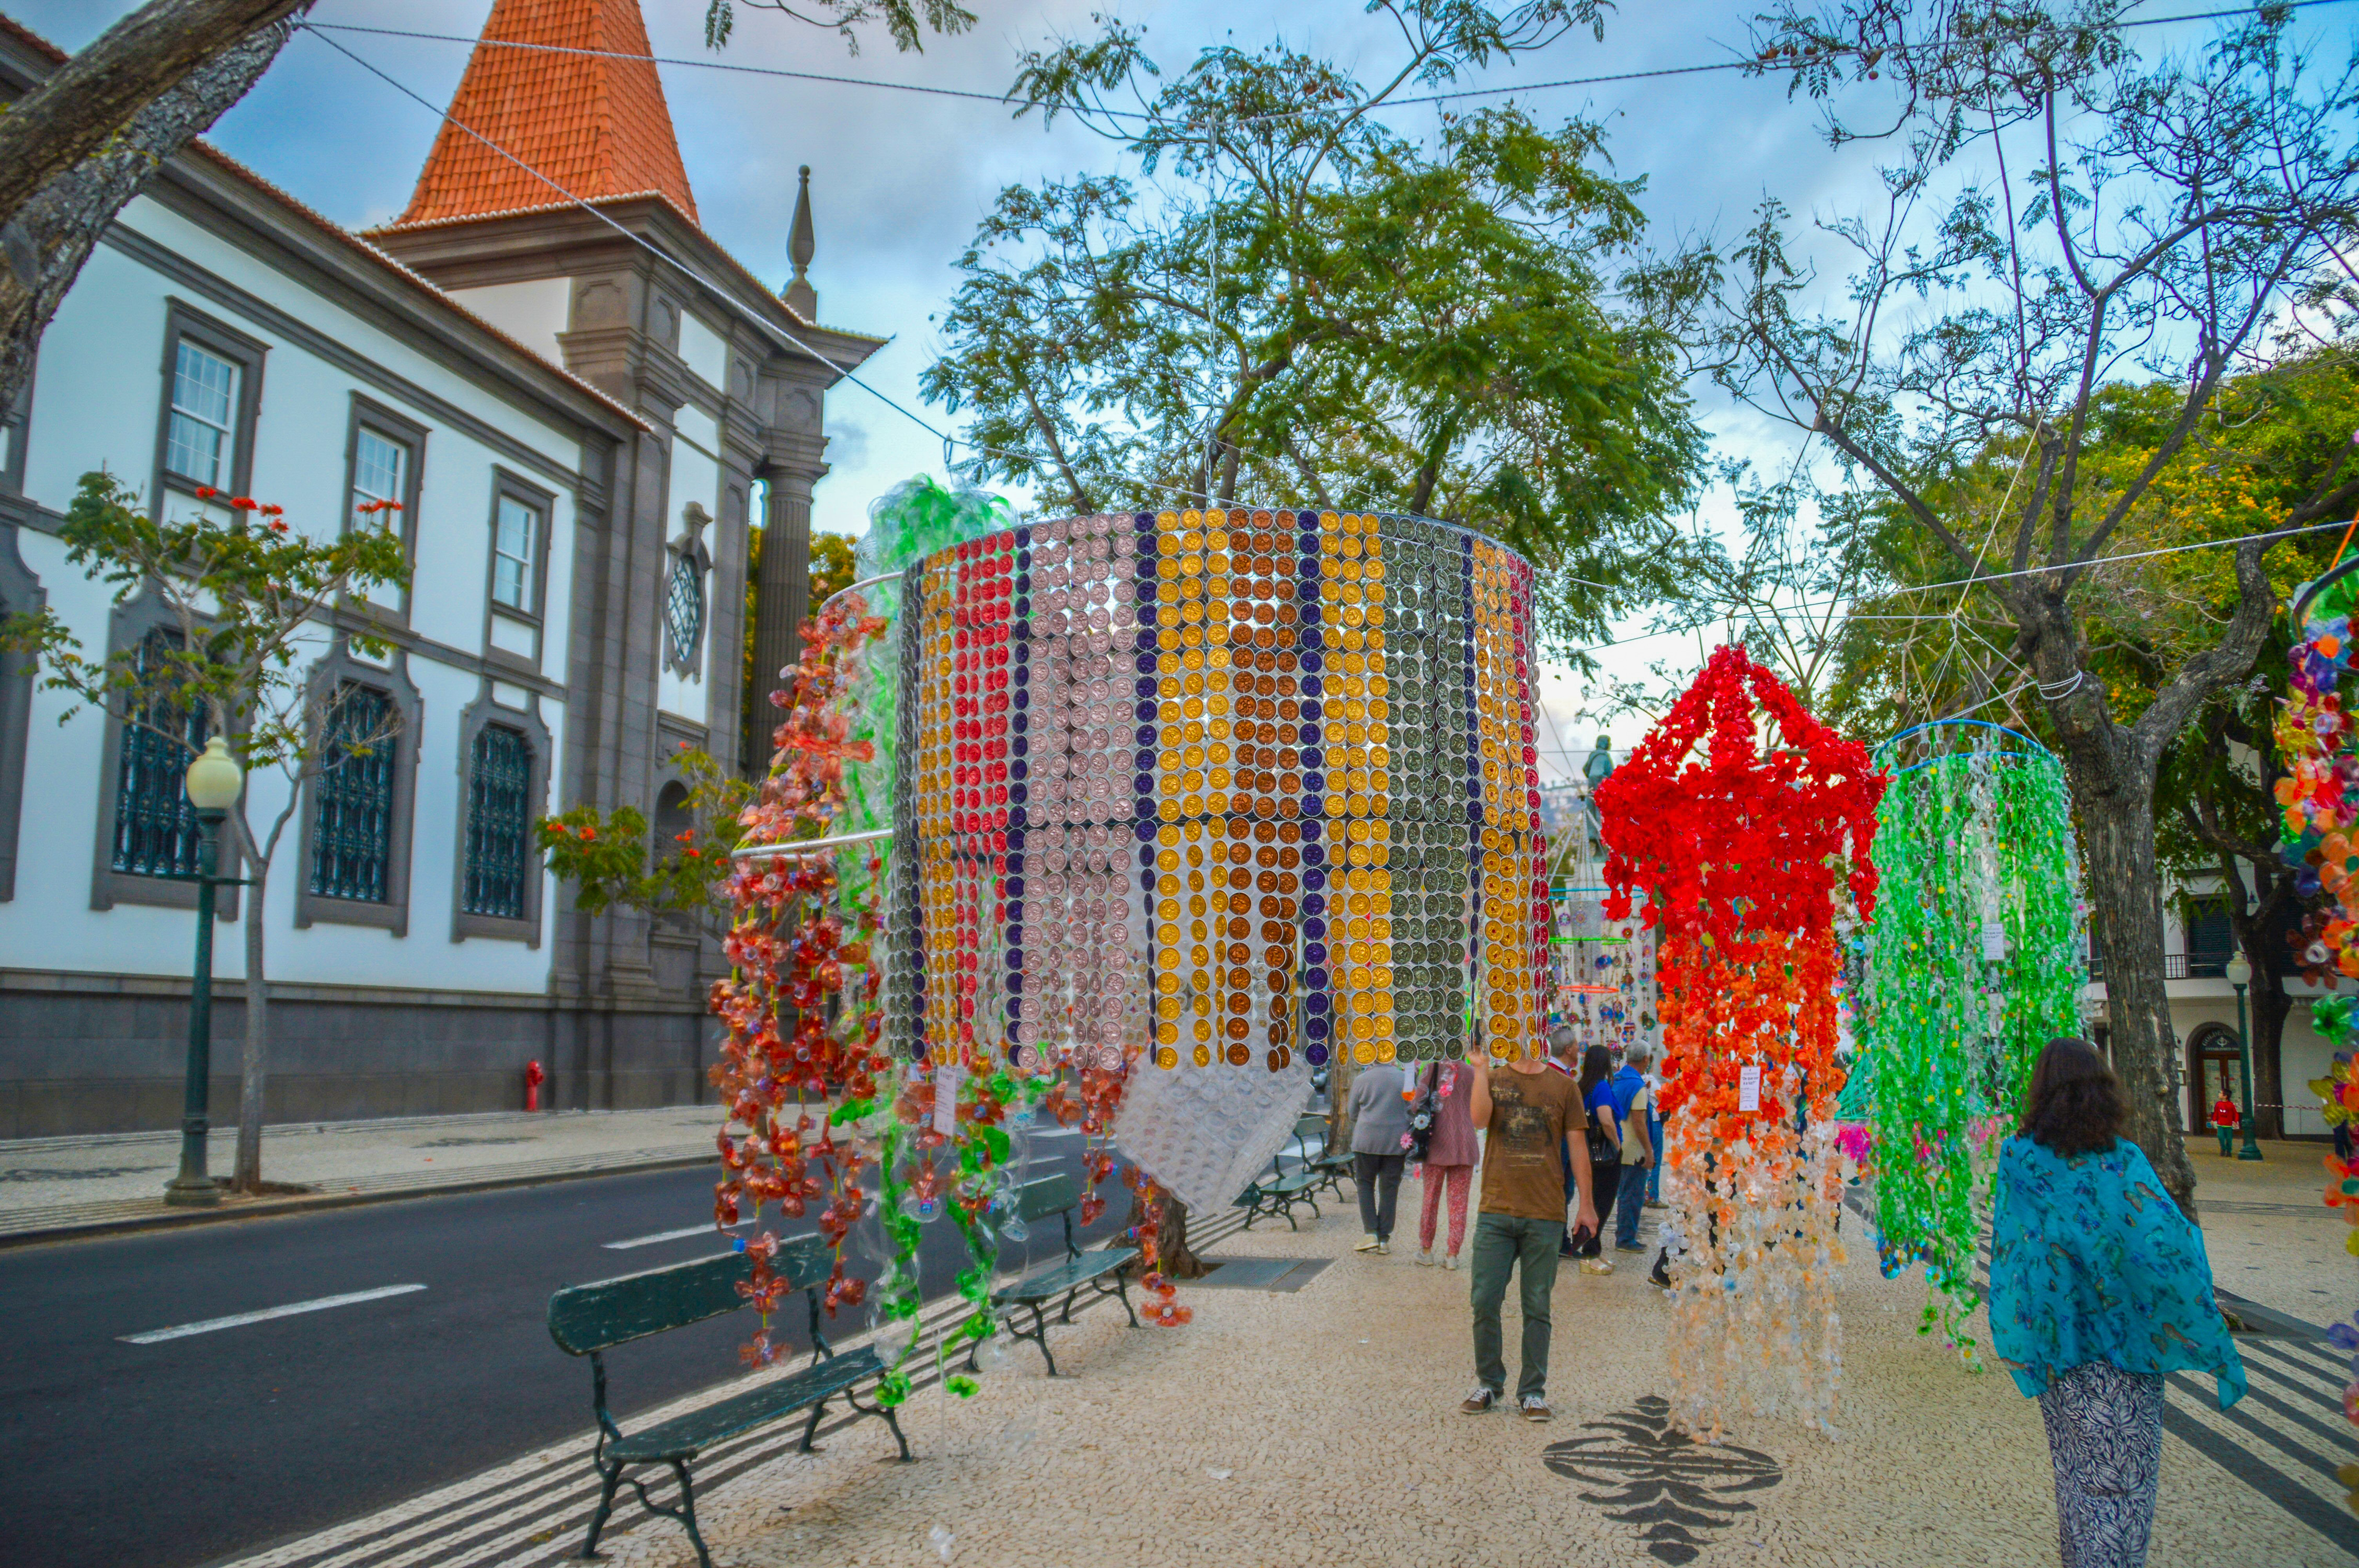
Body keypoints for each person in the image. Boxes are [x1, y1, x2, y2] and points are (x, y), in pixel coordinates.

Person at [1990, 1038, 2245, 1568]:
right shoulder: (2123, 1160)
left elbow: (2016, 1249)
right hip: (2127, 1343)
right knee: (2127, 1482)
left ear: (2042, 1091)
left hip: (2060, 1342)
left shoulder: (2018, 1158)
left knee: (2076, 1474)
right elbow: (2166, 1242)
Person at [1463, 1036, 1597, 1423]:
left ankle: (1533, 1391)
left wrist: (1586, 1205)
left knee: (1536, 1306)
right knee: (1484, 1300)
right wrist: (1480, 1069)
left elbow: (1578, 1149)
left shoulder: (1564, 1087)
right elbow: (1478, 1120)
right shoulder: (1493, 1077)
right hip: (1496, 1210)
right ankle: (1489, 1383)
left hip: (1545, 1213)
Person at [1414, 1057, 1480, 1269]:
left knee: (1430, 1198)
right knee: (1459, 1203)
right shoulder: (1473, 1072)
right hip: (1466, 1144)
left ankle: (1426, 1250)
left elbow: (1417, 1105)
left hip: (1437, 1144)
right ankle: (1452, 1255)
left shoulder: (1431, 1068)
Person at [1346, 1058, 1410, 1254]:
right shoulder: (1405, 1079)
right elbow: (1412, 1110)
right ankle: (1384, 1239)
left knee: (1365, 1185)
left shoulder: (1362, 1079)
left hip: (1366, 1141)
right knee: (1389, 1189)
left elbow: (1352, 1113)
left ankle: (1371, 1233)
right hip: (1395, 1142)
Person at [1572, 1044, 1623, 1274]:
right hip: (1605, 1155)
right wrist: (1617, 1144)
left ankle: (1594, 1249)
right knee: (1602, 1203)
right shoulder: (1601, 1087)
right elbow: (1606, 1119)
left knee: (1593, 1201)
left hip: (1587, 1152)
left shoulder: (1582, 1087)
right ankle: (1590, 1253)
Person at [1610, 1045, 1654, 1252]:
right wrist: (1649, 1150)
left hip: (1617, 1145)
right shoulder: (1637, 1086)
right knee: (1632, 1195)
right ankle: (1626, 1239)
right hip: (1632, 1149)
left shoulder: (1617, 1080)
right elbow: (1639, 1122)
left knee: (1623, 1193)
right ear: (1646, 1059)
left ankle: (1623, 1233)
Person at [2207, 1089, 2239, 1157]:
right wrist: (2213, 1120)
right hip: (2220, 1124)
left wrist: (2235, 1121)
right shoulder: (2218, 1104)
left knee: (2229, 1139)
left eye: (2221, 1093)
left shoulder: (2230, 1105)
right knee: (2220, 1136)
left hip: (2228, 1125)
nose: (2219, 1094)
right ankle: (2223, 1148)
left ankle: (2229, 1151)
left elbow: (2235, 1114)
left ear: (2225, 1096)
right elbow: (2216, 1113)